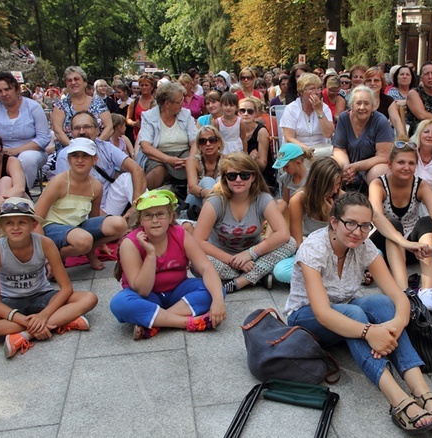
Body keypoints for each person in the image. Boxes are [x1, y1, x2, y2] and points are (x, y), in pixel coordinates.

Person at [284, 192, 432, 434]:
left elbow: (399, 296)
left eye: (365, 226)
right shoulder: (313, 248)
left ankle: (424, 393)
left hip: (345, 308)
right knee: (354, 312)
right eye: (351, 224)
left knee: (382, 304)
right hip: (306, 318)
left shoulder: (364, 246)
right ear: (334, 222)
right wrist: (369, 332)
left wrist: (395, 326)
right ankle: (398, 400)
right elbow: (323, 313)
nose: (358, 231)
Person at [0, 197, 98, 358]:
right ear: (2, 226)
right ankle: (58, 322)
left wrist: (43, 315)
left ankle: (25, 335)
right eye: (9, 223)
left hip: (42, 295)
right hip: (10, 301)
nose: (15, 228)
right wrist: (26, 321)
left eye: (22, 222)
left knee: (89, 298)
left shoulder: (45, 243)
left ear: (33, 225)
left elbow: (66, 287)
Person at [110, 189, 226, 340]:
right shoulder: (130, 243)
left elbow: (206, 268)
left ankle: (156, 322)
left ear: (171, 216)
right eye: (148, 215)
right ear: (140, 219)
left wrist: (218, 301)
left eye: (160, 214)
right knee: (120, 304)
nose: (155, 220)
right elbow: (143, 290)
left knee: (217, 289)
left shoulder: (180, 233)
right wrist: (150, 255)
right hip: (147, 297)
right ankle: (188, 322)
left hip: (177, 291)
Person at [193, 152, 296, 293]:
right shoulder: (215, 202)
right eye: (232, 176)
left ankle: (240, 282)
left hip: (253, 256)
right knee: (195, 261)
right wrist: (232, 260)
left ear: (253, 177)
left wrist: (250, 254)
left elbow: (283, 234)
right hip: (222, 258)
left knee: (290, 243)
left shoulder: (263, 199)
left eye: (244, 175)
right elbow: (198, 241)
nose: (238, 180)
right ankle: (259, 275)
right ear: (225, 178)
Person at [36, 138, 128, 269]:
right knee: (84, 240)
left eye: (85, 156)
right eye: (75, 156)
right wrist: (44, 256)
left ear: (94, 159)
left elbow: (94, 219)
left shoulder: (95, 186)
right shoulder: (58, 182)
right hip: (53, 227)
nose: (80, 160)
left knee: (120, 224)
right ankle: (55, 256)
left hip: (78, 227)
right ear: (69, 159)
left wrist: (96, 251)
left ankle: (84, 249)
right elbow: (36, 219)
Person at [368, 141, 432, 291]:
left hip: (412, 248)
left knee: (427, 222)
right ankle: (403, 291)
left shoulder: (421, 185)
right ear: (390, 165)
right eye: (401, 162)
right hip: (383, 242)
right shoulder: (378, 184)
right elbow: (377, 217)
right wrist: (404, 243)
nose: (406, 167)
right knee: (393, 224)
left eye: (411, 163)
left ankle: (427, 291)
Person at [56, 111, 146, 216]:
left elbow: (137, 169)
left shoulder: (106, 147)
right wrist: (108, 220)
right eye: (77, 128)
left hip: (108, 203)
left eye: (87, 127)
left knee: (128, 178)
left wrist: (134, 208)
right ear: (71, 133)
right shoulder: (65, 155)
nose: (81, 132)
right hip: (81, 211)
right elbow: (70, 196)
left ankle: (142, 215)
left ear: (97, 130)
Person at [272, 157, 343, 283]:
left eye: (337, 185)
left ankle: (322, 279)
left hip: (338, 250)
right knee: (280, 270)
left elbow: (344, 239)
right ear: (319, 183)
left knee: (376, 253)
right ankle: (333, 278)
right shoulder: (299, 199)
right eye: (331, 186)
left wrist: (332, 214)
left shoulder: (341, 198)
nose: (335, 190)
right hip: (310, 250)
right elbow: (298, 243)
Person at [0, 72, 49, 190]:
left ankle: (19, 193)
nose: (4, 94)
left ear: (16, 89)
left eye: (7, 89)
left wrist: (16, 150)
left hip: (32, 151)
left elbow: (43, 138)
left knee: (26, 159)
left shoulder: (34, 107)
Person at [136, 82, 198, 189]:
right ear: (167, 103)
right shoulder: (149, 116)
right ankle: (142, 199)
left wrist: (190, 159)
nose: (182, 104)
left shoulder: (185, 114)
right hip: (158, 156)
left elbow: (195, 141)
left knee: (193, 168)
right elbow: (146, 147)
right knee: (157, 172)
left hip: (184, 154)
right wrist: (167, 159)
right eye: (179, 102)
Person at [332, 85, 394, 190]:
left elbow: (384, 156)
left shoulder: (380, 121)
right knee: (328, 167)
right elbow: (339, 149)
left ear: (373, 106)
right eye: (358, 103)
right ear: (351, 105)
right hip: (349, 165)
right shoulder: (344, 118)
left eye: (366, 103)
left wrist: (357, 166)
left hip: (371, 166)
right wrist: (347, 167)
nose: (362, 107)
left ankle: (374, 201)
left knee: (379, 172)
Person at [52, 66, 112, 147]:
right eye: (69, 80)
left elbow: (109, 127)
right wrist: (77, 149)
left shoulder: (98, 102)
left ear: (85, 82)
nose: (73, 82)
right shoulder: (60, 106)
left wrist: (94, 146)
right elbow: (58, 132)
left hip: (98, 147)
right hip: (68, 149)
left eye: (76, 79)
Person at [280, 73, 334, 156]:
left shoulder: (324, 108)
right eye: (312, 89)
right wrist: (305, 148)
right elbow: (289, 137)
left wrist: (319, 111)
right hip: (297, 148)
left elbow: (329, 134)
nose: (317, 92)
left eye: (319, 88)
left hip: (321, 150)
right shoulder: (291, 109)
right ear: (301, 92)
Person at [240, 97, 276, 192]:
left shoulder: (261, 131)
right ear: (237, 113)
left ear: (255, 113)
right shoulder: (235, 130)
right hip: (239, 173)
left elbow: (263, 166)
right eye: (242, 111)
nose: (246, 114)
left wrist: (254, 160)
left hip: (260, 175)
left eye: (250, 111)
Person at [185, 125, 224, 210]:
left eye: (212, 140)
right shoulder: (192, 161)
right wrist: (210, 194)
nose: (208, 144)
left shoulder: (227, 160)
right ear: (199, 145)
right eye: (203, 141)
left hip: (221, 200)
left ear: (219, 142)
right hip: (195, 203)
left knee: (220, 180)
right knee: (207, 180)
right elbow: (192, 187)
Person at [363, 66, 405, 136]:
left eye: (376, 80)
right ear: (364, 83)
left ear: (382, 83)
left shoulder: (388, 100)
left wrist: (402, 138)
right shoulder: (359, 100)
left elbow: (396, 120)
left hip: (383, 137)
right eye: (369, 80)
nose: (372, 83)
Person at [127, 74, 157, 142]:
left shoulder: (157, 102)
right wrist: (134, 123)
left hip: (154, 136)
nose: (144, 87)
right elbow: (128, 118)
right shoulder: (134, 102)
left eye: (146, 85)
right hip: (138, 137)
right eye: (142, 85)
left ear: (152, 87)